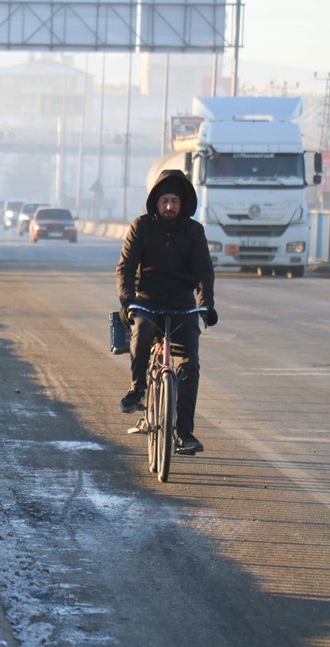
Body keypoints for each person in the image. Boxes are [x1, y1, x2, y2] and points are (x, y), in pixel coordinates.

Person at [115, 169, 217, 454]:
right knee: (142, 330)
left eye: (174, 200)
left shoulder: (194, 232)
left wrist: (206, 304)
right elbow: (125, 267)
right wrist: (127, 301)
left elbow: (204, 272)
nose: (170, 206)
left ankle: (184, 433)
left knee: (189, 365)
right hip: (147, 303)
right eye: (165, 201)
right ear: (156, 202)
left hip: (183, 307)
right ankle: (137, 390)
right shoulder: (141, 227)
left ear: (182, 203)